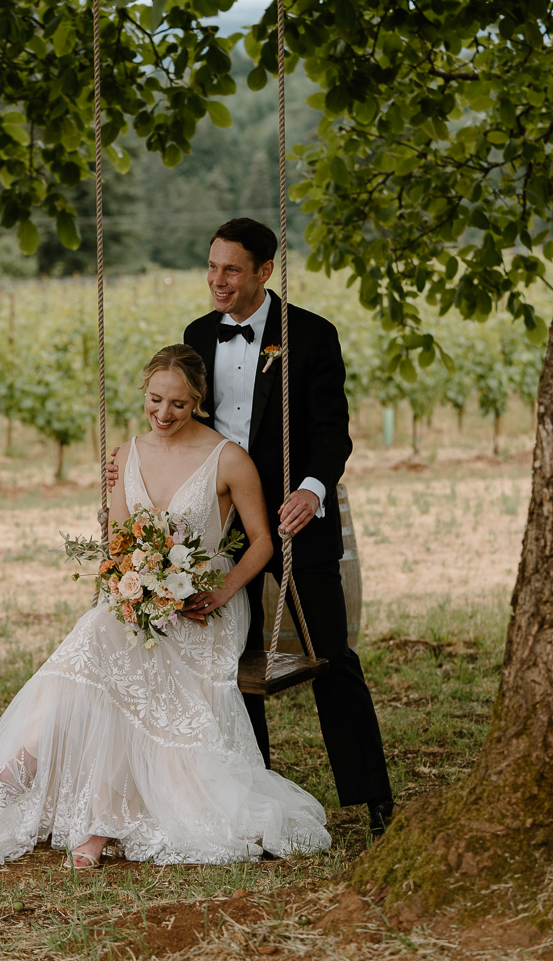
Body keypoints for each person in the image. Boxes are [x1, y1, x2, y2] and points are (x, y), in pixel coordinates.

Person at [0, 345, 331, 867]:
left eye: (179, 405)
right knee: (100, 635)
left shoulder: (229, 459)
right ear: (144, 394)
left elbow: (261, 545)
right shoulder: (124, 454)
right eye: (155, 400)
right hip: (137, 602)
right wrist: (130, 587)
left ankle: (73, 810)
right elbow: (120, 541)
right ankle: (45, 788)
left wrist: (220, 591)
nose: (163, 415)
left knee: (111, 649)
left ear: (199, 403)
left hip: (203, 609)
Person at [108, 220, 395, 835]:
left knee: (331, 654)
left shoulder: (312, 336)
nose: (217, 281)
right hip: (217, 518)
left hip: (295, 518)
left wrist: (311, 492)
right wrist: (131, 462)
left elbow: (331, 432)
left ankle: (373, 797)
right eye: (211, 267)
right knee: (228, 660)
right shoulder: (196, 335)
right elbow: (178, 418)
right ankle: (250, 796)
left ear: (265, 271)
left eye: (231, 270)